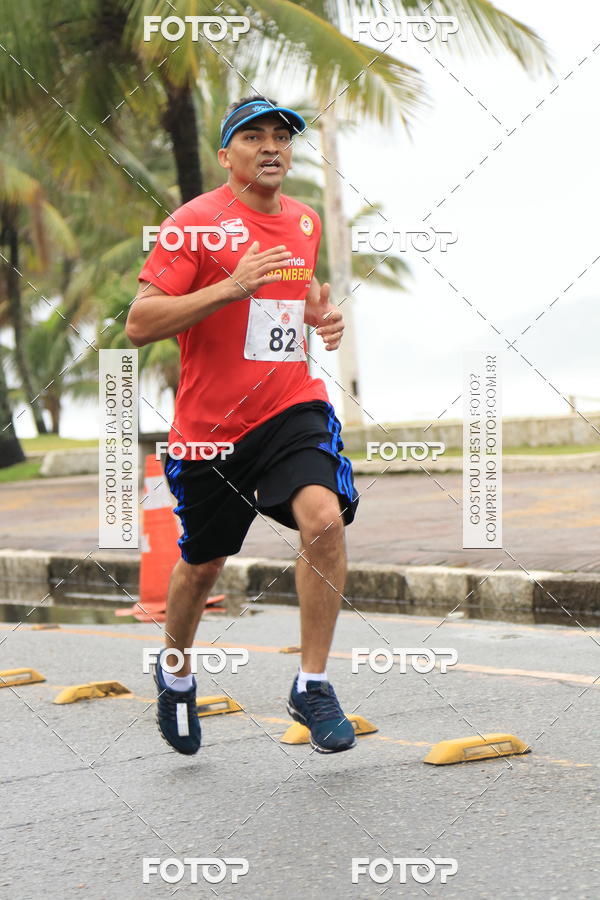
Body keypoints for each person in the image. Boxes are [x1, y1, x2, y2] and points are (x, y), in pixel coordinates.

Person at [126, 95, 359, 755]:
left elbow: (300, 299)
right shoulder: (192, 225)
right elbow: (139, 323)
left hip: (289, 409)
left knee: (325, 521)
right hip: (208, 432)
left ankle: (311, 684)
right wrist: (228, 287)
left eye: (281, 137)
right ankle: (174, 673)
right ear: (226, 156)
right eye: (253, 137)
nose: (271, 147)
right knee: (202, 568)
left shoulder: (305, 223)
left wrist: (323, 316)